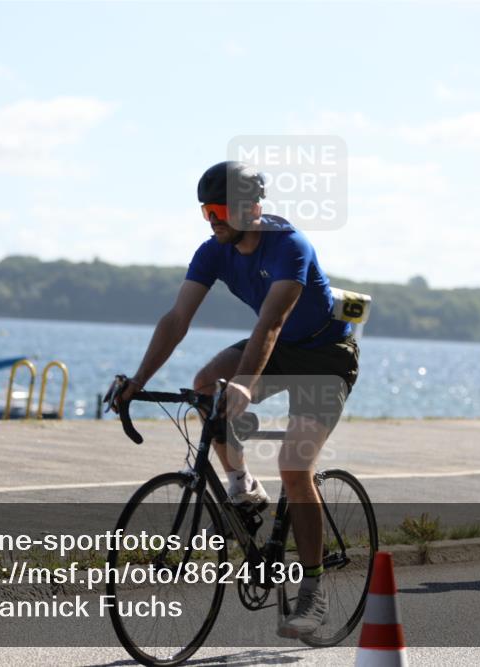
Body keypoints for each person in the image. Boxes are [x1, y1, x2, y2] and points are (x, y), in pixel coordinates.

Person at [113, 160, 359, 637]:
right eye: (207, 211)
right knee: (206, 385)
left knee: (294, 466)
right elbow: (177, 317)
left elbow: (270, 324)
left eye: (221, 209)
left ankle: (314, 593)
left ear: (253, 208)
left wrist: (246, 383)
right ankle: (243, 484)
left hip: (326, 358)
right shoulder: (213, 252)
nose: (213, 220)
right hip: (278, 350)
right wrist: (140, 379)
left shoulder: (290, 246)